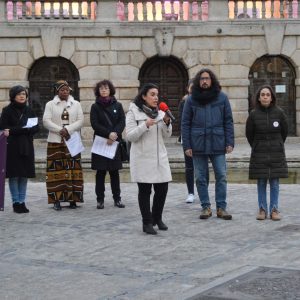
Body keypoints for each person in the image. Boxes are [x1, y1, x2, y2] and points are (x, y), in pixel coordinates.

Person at [181, 68, 234, 220]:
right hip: (198, 144)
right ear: (198, 81)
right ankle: (206, 207)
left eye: (207, 78)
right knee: (200, 177)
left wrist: (230, 142)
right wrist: (187, 145)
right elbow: (185, 124)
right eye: (202, 78)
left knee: (222, 175)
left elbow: (228, 121)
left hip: (218, 142)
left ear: (212, 81)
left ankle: (221, 207)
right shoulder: (191, 100)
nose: (205, 81)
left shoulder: (222, 98)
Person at [126, 83, 172, 235]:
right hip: (143, 157)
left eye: (157, 95)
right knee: (145, 191)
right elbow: (130, 136)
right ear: (144, 96)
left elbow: (167, 135)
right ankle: (147, 222)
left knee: (162, 189)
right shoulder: (133, 112)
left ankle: (157, 218)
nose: (156, 97)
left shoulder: (159, 113)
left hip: (160, 157)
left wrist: (167, 123)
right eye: (152, 94)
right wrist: (144, 125)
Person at [246, 85, 288, 221]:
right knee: (261, 182)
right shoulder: (253, 114)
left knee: (275, 183)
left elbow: (284, 132)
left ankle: (274, 209)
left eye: (267, 95)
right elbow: (249, 135)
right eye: (262, 94)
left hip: (276, 153)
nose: (265, 97)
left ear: (271, 97)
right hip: (259, 153)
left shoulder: (280, 113)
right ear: (258, 97)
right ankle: (262, 209)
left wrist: (277, 144)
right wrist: (257, 145)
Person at [43, 80, 84, 210]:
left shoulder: (76, 104)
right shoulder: (50, 104)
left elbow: (80, 120)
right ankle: (56, 200)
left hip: (72, 140)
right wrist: (60, 129)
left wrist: (68, 129)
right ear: (57, 91)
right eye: (62, 90)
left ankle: (73, 199)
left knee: (74, 170)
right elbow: (46, 121)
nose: (65, 92)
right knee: (56, 171)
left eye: (67, 90)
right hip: (55, 141)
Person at [0, 85, 39, 213]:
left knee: (24, 175)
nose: (22, 96)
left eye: (24, 94)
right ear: (13, 96)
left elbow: (35, 128)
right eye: (19, 94)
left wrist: (14, 130)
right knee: (14, 175)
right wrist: (24, 129)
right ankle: (16, 202)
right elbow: (4, 128)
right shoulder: (7, 110)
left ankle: (22, 202)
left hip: (27, 146)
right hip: (12, 147)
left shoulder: (30, 110)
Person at [90, 80, 126, 209]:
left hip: (114, 142)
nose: (104, 90)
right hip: (101, 142)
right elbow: (94, 124)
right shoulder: (95, 107)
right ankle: (100, 200)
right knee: (100, 173)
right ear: (98, 91)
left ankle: (117, 198)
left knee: (114, 172)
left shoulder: (118, 105)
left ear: (110, 89)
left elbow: (122, 121)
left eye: (106, 88)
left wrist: (115, 133)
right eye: (101, 89)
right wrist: (108, 134)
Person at [178, 79, 195, 203]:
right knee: (189, 167)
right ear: (187, 88)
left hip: (201, 138)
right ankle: (190, 192)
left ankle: (202, 190)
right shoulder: (184, 102)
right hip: (188, 138)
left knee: (202, 167)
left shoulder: (202, 101)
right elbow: (182, 121)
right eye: (191, 87)